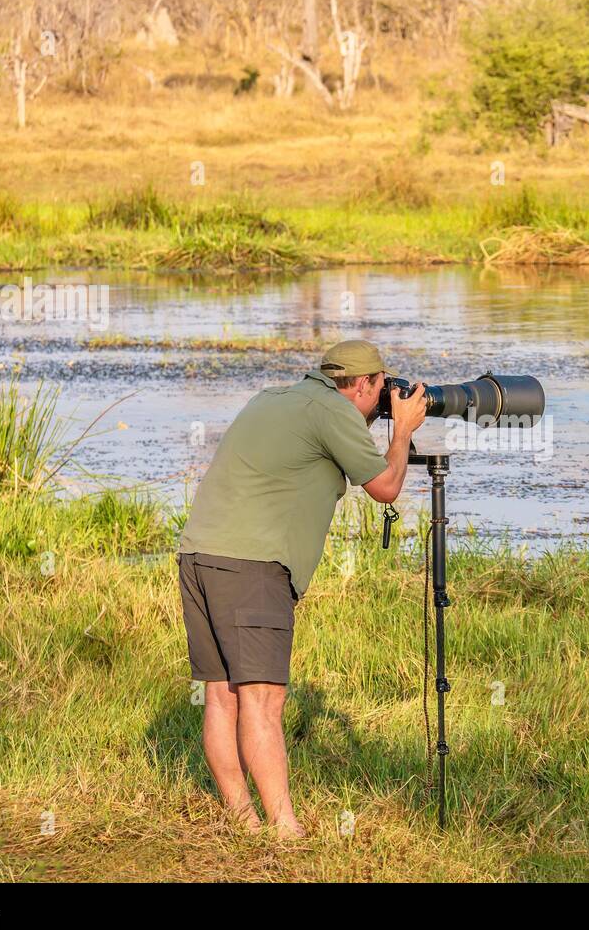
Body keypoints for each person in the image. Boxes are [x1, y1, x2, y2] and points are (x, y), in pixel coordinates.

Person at [177, 339, 426, 839]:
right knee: (263, 702)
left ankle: (243, 820)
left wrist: (375, 420)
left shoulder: (274, 398)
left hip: (199, 555)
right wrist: (401, 430)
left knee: (222, 696)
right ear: (360, 384)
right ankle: (284, 828)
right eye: (380, 388)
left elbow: (314, 448)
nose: (384, 396)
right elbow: (386, 488)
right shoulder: (333, 413)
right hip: (252, 567)